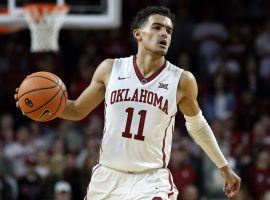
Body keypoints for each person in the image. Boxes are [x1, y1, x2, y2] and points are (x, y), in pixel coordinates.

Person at [15, 6, 241, 200]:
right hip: (108, 177)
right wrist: (35, 102)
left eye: (169, 31)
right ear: (138, 34)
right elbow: (75, 110)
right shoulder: (110, 68)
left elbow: (197, 125)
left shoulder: (182, 80)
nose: (164, 34)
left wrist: (223, 166)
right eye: (157, 27)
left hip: (150, 179)